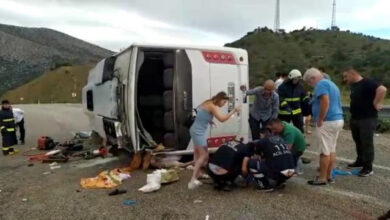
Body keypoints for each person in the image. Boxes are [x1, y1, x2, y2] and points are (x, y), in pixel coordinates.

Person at [188, 91, 241, 189]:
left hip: (196, 130)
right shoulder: (212, 106)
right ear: (221, 99)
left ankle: (198, 174)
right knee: (204, 156)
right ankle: (192, 180)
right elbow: (222, 119)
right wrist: (234, 110)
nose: (224, 104)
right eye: (224, 102)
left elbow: (201, 114)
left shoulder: (207, 102)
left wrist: (209, 121)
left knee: (198, 154)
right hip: (198, 132)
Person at [343, 67, 387, 177]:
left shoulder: (367, 82)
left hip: (367, 118)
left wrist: (377, 103)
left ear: (352, 74)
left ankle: (368, 167)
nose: (345, 79)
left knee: (367, 143)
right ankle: (360, 161)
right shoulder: (354, 85)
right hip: (356, 118)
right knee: (358, 141)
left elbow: (382, 89)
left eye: (346, 76)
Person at [303, 68, 344, 185]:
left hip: (327, 121)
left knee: (324, 151)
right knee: (331, 149)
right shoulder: (331, 84)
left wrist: (320, 118)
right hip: (337, 119)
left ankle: (322, 178)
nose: (310, 85)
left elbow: (325, 102)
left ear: (313, 78)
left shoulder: (321, 84)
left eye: (309, 82)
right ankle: (329, 175)